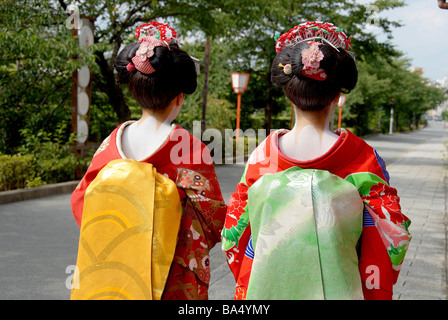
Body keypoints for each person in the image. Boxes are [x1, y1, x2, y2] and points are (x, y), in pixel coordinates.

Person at [222, 21, 411, 300]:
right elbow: (391, 235)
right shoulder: (363, 157)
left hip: (269, 285)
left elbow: (235, 232)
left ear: (289, 93)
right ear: (337, 96)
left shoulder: (263, 156)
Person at [70, 22, 227, 300]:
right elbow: (212, 219)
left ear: (135, 92)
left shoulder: (111, 143)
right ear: (179, 98)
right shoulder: (188, 147)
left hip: (118, 270)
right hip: (170, 274)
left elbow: (83, 202)